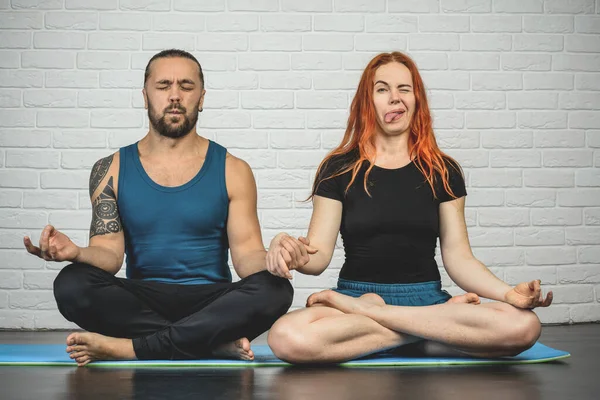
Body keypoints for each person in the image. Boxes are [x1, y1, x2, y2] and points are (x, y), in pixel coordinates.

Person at [265, 51, 553, 364]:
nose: (394, 98)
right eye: (382, 89)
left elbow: (459, 258)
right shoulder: (337, 169)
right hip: (356, 296)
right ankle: (428, 333)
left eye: (404, 89)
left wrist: (508, 293)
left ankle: (376, 320)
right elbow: (317, 256)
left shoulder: (443, 171)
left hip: (421, 299)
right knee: (285, 338)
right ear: (367, 101)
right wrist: (293, 252)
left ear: (416, 100)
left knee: (524, 326)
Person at [23, 49, 293, 366]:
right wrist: (76, 253)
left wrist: (278, 252)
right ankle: (205, 343)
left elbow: (247, 259)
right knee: (71, 284)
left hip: (212, 302)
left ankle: (130, 348)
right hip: (141, 299)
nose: (175, 95)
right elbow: (109, 255)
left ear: (202, 98)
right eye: (163, 85)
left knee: (276, 288)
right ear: (146, 95)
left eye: (186, 86)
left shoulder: (233, 169)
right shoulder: (110, 169)